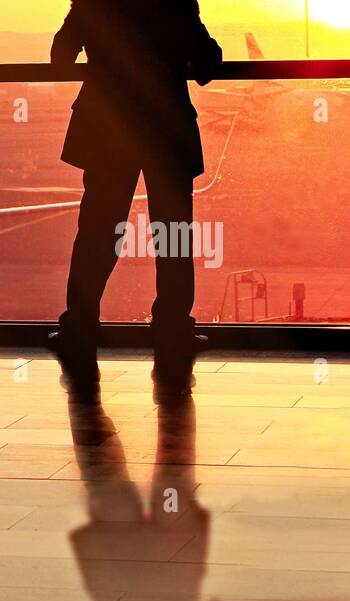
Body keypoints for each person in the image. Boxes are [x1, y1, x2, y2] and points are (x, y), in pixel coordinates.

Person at [48, 0, 222, 394]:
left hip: (108, 130)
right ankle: (172, 330)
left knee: (97, 233)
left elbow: (60, 58)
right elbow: (207, 66)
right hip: (166, 131)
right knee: (173, 236)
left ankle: (80, 328)